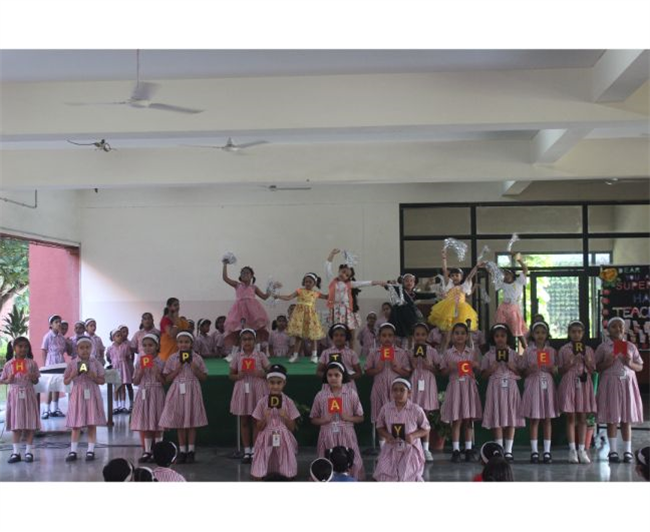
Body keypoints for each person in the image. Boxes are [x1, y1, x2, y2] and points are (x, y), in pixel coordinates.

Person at [595, 317, 644, 464]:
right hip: (610, 383)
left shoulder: (630, 346)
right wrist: (607, 363)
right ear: (608, 330)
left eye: (620, 326)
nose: (618, 329)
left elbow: (640, 366)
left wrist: (630, 363)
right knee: (612, 418)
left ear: (625, 329)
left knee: (626, 418)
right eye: (614, 326)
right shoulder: (603, 347)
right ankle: (613, 451)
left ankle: (627, 451)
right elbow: (596, 367)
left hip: (627, 383)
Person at [159, 331, 209, 464]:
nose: (183, 345)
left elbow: (204, 377)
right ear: (177, 343)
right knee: (180, 422)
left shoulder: (197, 358)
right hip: (178, 391)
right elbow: (167, 378)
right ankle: (182, 450)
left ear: (191, 344)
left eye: (186, 342)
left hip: (192, 391)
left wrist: (194, 368)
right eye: (181, 342)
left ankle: (191, 450)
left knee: (191, 422)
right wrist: (178, 368)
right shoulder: (172, 358)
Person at [311, 361, 365, 479]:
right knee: (327, 461)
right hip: (327, 434)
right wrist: (324, 420)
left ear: (343, 376)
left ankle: (350, 480)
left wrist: (348, 418)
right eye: (330, 375)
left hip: (347, 434)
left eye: (337, 375)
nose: (333, 378)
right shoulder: (320, 395)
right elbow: (313, 419)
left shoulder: (351, 394)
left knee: (351, 460)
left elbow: (361, 417)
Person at [480, 324, 524, 462]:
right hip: (495, 387)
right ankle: (499, 449)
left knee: (511, 417)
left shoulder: (514, 354)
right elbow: (483, 375)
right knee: (497, 418)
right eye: (497, 336)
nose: (500, 339)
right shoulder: (488, 355)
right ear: (493, 338)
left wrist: (512, 367)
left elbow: (521, 373)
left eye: (503, 336)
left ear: (507, 337)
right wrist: (491, 369)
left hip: (510, 387)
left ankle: (508, 450)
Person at [373, 378, 431, 482]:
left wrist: (413, 435)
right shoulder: (386, 409)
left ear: (409, 393)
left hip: (410, 449)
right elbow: (379, 426)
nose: (398, 393)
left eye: (402, 390)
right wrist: (387, 435)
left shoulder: (416, 409)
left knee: (407, 477)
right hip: (391, 448)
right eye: (395, 390)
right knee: (383, 476)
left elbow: (426, 428)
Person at [440, 322, 482, 463]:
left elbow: (478, 369)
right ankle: (456, 449)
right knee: (456, 419)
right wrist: (450, 368)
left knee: (468, 419)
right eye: (456, 333)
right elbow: (443, 371)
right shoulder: (448, 353)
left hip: (468, 387)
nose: (460, 336)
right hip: (455, 386)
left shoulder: (472, 352)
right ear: (452, 336)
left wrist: (475, 365)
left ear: (467, 336)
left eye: (463, 333)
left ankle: (468, 449)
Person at [251, 364, 300, 480]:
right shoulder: (262, 402)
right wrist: (264, 417)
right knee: (258, 474)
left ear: (284, 383)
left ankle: (285, 470)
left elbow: (292, 427)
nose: (275, 386)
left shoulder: (288, 402)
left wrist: (285, 416)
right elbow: (258, 426)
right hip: (266, 435)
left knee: (288, 474)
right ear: (267, 383)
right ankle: (263, 470)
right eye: (272, 383)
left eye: (279, 383)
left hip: (283, 436)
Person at [519, 321, 559, 464]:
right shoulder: (528, 351)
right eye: (537, 333)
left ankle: (547, 451)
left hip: (547, 384)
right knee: (534, 419)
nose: (540, 335)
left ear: (547, 334)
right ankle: (534, 451)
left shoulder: (552, 351)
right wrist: (529, 369)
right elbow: (522, 370)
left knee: (547, 419)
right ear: (533, 335)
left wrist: (553, 369)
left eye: (543, 332)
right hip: (533, 383)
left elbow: (556, 369)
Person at [557, 320, 597, 465]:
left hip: (584, 383)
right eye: (573, 332)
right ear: (569, 333)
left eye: (579, 332)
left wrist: (587, 360)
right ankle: (572, 449)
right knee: (571, 417)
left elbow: (593, 370)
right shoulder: (564, 349)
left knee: (583, 416)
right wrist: (570, 363)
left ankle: (582, 449)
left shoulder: (588, 349)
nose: (576, 334)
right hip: (569, 382)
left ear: (583, 333)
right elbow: (560, 370)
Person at [229, 328, 270, 464]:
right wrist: (238, 376)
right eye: (244, 339)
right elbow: (231, 375)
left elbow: (269, 371)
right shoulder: (237, 356)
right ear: (241, 341)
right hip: (243, 390)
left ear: (255, 340)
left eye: (250, 339)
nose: (247, 342)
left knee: (256, 420)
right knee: (244, 421)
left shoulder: (260, 355)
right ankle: (247, 451)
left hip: (257, 389)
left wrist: (262, 373)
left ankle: (256, 450)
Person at [63, 336, 107, 462]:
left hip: (92, 393)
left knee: (91, 423)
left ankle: (90, 450)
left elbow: (102, 381)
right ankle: (73, 450)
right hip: (78, 394)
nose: (85, 350)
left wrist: (93, 376)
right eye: (82, 348)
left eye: (87, 347)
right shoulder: (72, 363)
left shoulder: (95, 363)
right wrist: (73, 375)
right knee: (76, 424)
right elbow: (65, 381)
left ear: (91, 348)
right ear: (77, 349)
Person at [1, 337, 40, 464]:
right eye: (20, 346)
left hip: (28, 394)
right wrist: (8, 380)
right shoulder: (8, 364)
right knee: (16, 424)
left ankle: (29, 451)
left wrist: (32, 377)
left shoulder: (32, 363)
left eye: (26, 346)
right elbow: (2, 380)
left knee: (30, 423)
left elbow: (36, 381)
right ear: (14, 348)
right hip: (15, 396)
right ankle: (16, 452)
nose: (23, 349)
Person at [275, 273, 328, 364]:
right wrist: (278, 296)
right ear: (303, 282)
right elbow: (289, 297)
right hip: (299, 317)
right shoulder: (299, 291)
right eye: (306, 281)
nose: (308, 283)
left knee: (313, 336)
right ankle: (295, 356)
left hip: (311, 317)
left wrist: (336, 290)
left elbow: (327, 297)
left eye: (310, 282)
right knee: (298, 337)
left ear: (314, 283)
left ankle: (314, 356)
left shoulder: (316, 293)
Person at [41, 314, 67, 419]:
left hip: (60, 362)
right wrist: (44, 365)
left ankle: (54, 409)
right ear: (51, 325)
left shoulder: (61, 337)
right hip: (51, 362)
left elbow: (64, 350)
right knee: (49, 386)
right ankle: (46, 409)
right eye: (56, 322)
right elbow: (44, 350)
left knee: (57, 385)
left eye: (59, 322)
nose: (59, 324)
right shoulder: (47, 336)